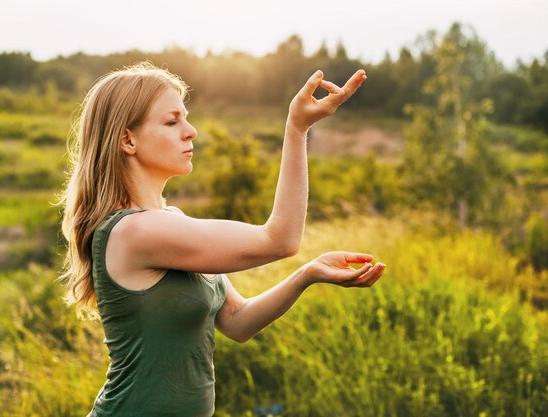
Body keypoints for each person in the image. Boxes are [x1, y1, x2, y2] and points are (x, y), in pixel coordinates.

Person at [59, 61, 386, 417]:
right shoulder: (133, 232)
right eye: (172, 122)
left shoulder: (171, 222)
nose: (191, 131)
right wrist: (296, 128)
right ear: (127, 139)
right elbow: (279, 239)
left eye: (186, 117)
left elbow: (237, 321)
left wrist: (307, 274)